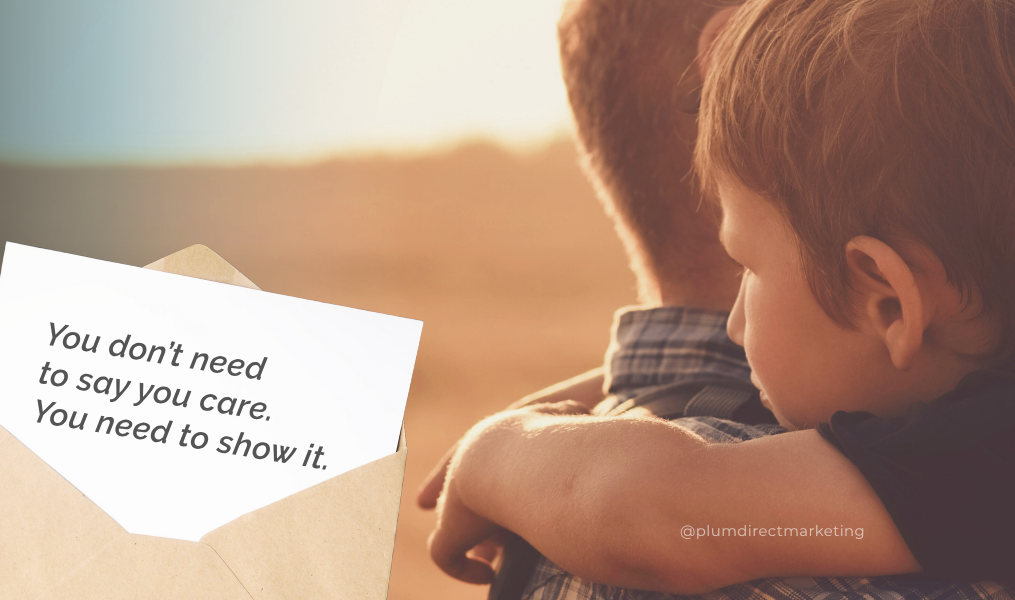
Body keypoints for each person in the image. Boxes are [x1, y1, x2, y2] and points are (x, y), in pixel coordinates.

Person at [419, 0, 1015, 597]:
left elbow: (653, 513)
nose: (734, 325)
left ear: (887, 305)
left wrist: (494, 453)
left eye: (747, 269)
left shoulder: (970, 466)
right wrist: (600, 384)